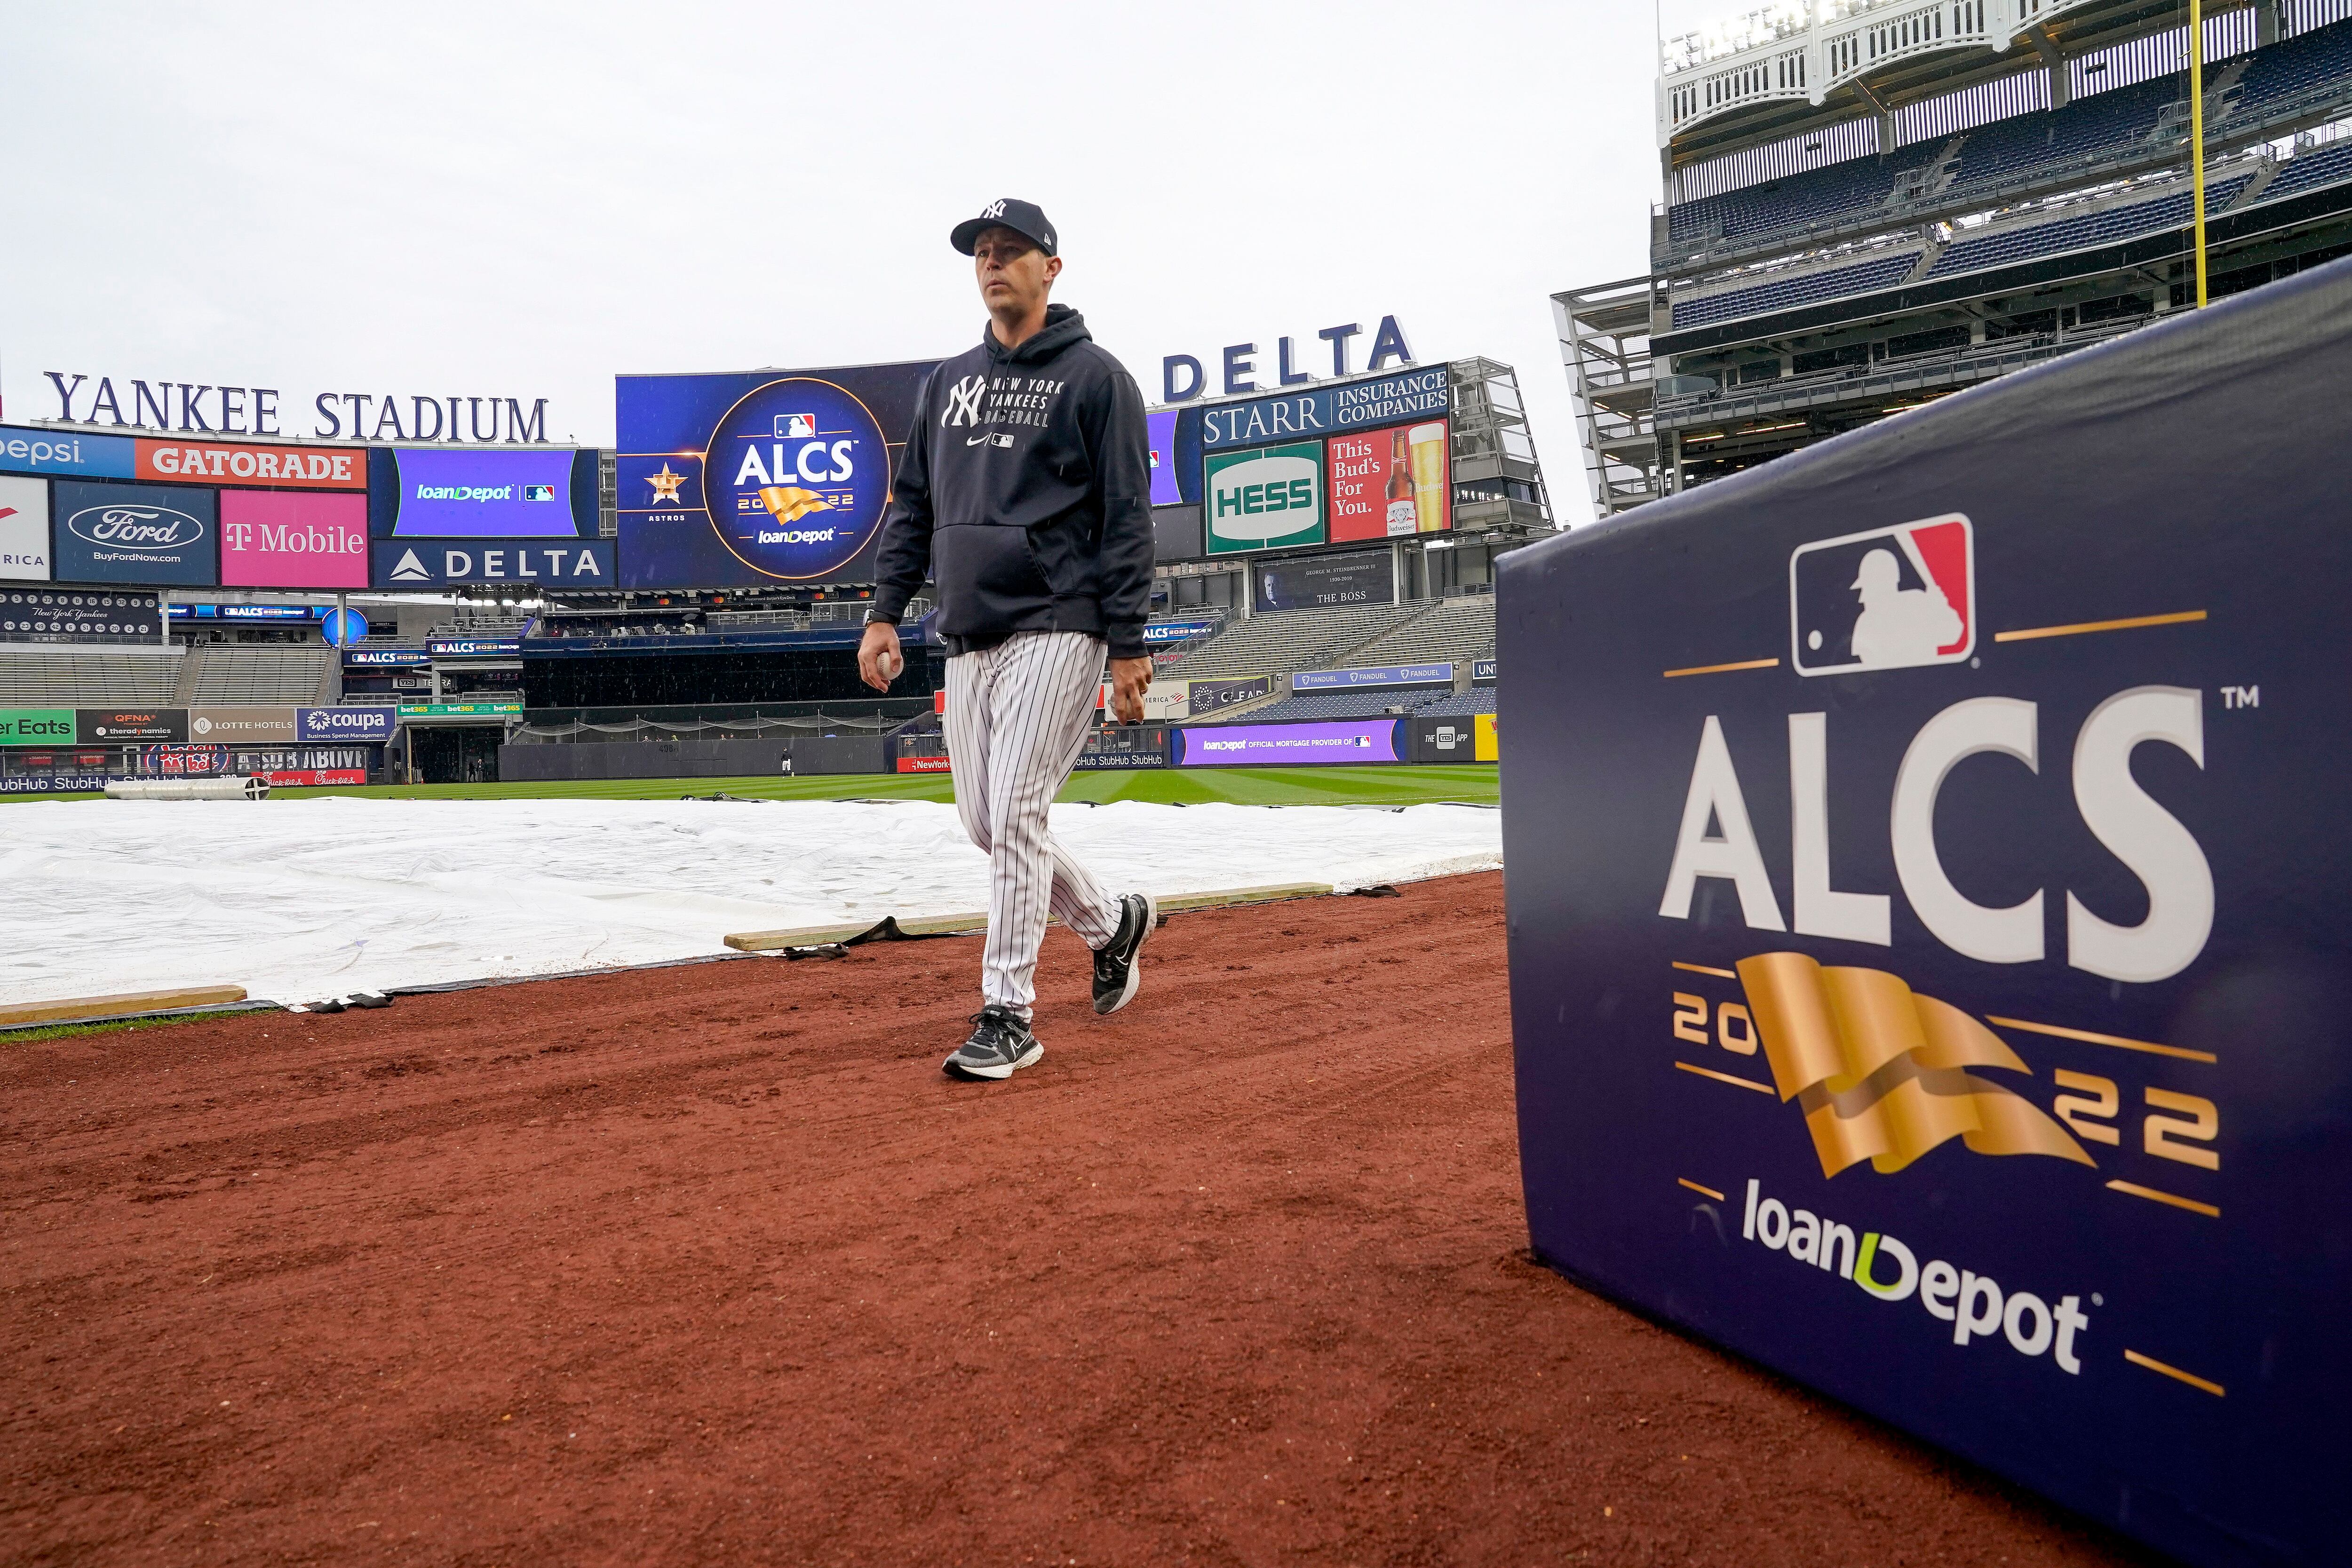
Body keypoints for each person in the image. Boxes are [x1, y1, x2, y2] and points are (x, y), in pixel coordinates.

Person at [858, 198, 1157, 1082]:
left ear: (1051, 268)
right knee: (987, 822)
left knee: (1018, 809)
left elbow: (1126, 518)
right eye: (984, 253)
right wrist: (883, 610)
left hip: (1061, 617)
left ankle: (1008, 1012)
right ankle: (1111, 924)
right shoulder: (947, 381)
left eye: (1012, 252)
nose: (995, 265)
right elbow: (914, 504)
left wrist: (1130, 643)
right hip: (970, 625)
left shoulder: (1098, 378)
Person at [1847, 547, 1962, 669]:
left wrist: (1940, 608)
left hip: (1926, 681)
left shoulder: (1918, 603)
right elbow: (1867, 663)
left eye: (1869, 588)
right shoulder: (1867, 620)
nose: (1863, 598)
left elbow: (1953, 634)